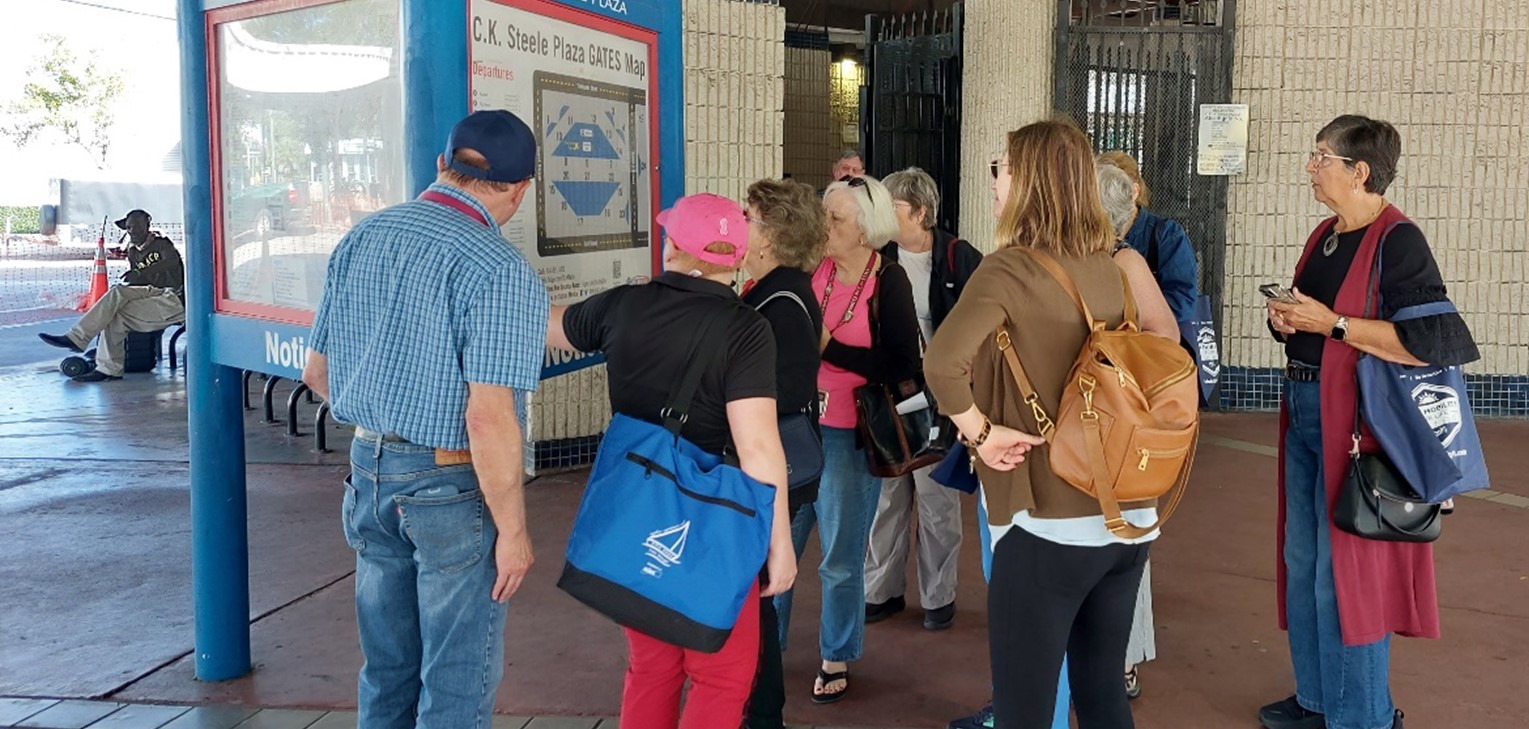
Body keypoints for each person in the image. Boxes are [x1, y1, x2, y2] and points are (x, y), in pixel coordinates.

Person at [300, 110, 549, 729]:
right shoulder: (500, 270)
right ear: (521, 190)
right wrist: (513, 534)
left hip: (367, 471)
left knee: (386, 669)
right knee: (457, 677)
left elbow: (316, 373)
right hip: (447, 486)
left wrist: (381, 425)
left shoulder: (366, 234)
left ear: (442, 165)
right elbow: (489, 419)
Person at [924, 120, 1159, 729]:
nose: (994, 181)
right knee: (1102, 689)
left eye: (1000, 167)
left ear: (1027, 181)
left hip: (1047, 519)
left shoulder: (1010, 269)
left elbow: (941, 364)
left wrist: (979, 432)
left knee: (1025, 708)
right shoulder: (1116, 266)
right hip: (1127, 515)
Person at [547, 193, 797, 729]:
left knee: (652, 667)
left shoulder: (622, 306)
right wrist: (780, 546)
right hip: (713, 525)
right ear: (735, 257)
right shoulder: (746, 329)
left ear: (673, 246)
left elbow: (548, 329)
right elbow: (758, 448)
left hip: (638, 510)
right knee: (722, 676)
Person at [1260, 115, 1476, 729]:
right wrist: (1289, 322)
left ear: (1360, 171)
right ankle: (1318, 699)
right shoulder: (1325, 234)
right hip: (1306, 410)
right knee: (1302, 561)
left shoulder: (1398, 240)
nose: (1310, 166)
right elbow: (1318, 320)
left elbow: (1431, 342)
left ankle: (1364, 716)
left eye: (1320, 156)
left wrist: (1331, 324)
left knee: (1345, 574)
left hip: (1356, 430)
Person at [774, 174, 919, 704]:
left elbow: (903, 365)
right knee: (778, 542)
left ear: (866, 230)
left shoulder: (890, 281)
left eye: (835, 219)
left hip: (848, 436)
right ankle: (768, 644)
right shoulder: (816, 269)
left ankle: (835, 652)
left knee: (838, 556)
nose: (824, 227)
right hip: (796, 427)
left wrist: (830, 348)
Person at [863, 166, 983, 631]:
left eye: (894, 207)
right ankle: (881, 591)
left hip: (939, 398)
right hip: (889, 396)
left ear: (921, 212)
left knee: (937, 502)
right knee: (888, 495)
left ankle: (938, 597)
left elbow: (983, 322)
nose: (886, 216)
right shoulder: (877, 259)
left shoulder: (958, 257)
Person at [738, 178, 828, 729]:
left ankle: (763, 711)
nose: (740, 229)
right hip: (774, 462)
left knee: (754, 599)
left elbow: (781, 392)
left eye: (748, 218)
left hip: (768, 464)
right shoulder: (779, 289)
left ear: (770, 235)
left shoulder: (781, 301)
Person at [1096, 160, 1182, 700]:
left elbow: (1166, 337)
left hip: (1120, 422)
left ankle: (1124, 657)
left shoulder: (1126, 261)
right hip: (1084, 426)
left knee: (1126, 537)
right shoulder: (1072, 258)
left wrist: (1114, 365)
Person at [38, 209, 185, 382]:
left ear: (147, 225)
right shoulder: (133, 252)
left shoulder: (162, 244)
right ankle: (108, 369)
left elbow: (172, 263)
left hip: (174, 298)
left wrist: (140, 272)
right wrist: (135, 278)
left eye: (137, 227)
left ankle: (77, 339)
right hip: (152, 296)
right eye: (129, 228)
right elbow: (139, 282)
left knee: (116, 294)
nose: (133, 231)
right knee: (113, 313)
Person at [1097, 150, 1199, 322]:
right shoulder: (1089, 234)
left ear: (1134, 191)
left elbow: (1182, 302)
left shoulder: (1167, 235)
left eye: (1113, 189)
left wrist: (1131, 319)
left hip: (1149, 339)